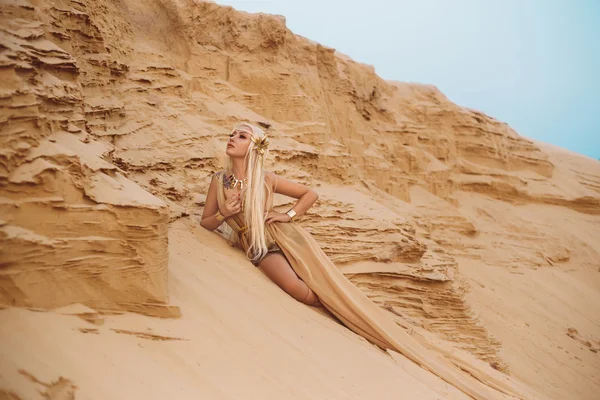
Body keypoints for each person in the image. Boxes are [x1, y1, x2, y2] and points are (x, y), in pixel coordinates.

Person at [200, 123, 534, 400]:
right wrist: (224, 213)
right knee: (299, 291)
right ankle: (347, 310)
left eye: (241, 135)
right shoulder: (219, 179)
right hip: (259, 247)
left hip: (291, 239)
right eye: (232, 134)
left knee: (323, 283)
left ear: (254, 146)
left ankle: (351, 307)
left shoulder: (267, 178)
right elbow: (206, 223)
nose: (232, 138)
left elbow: (310, 194)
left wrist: (286, 214)